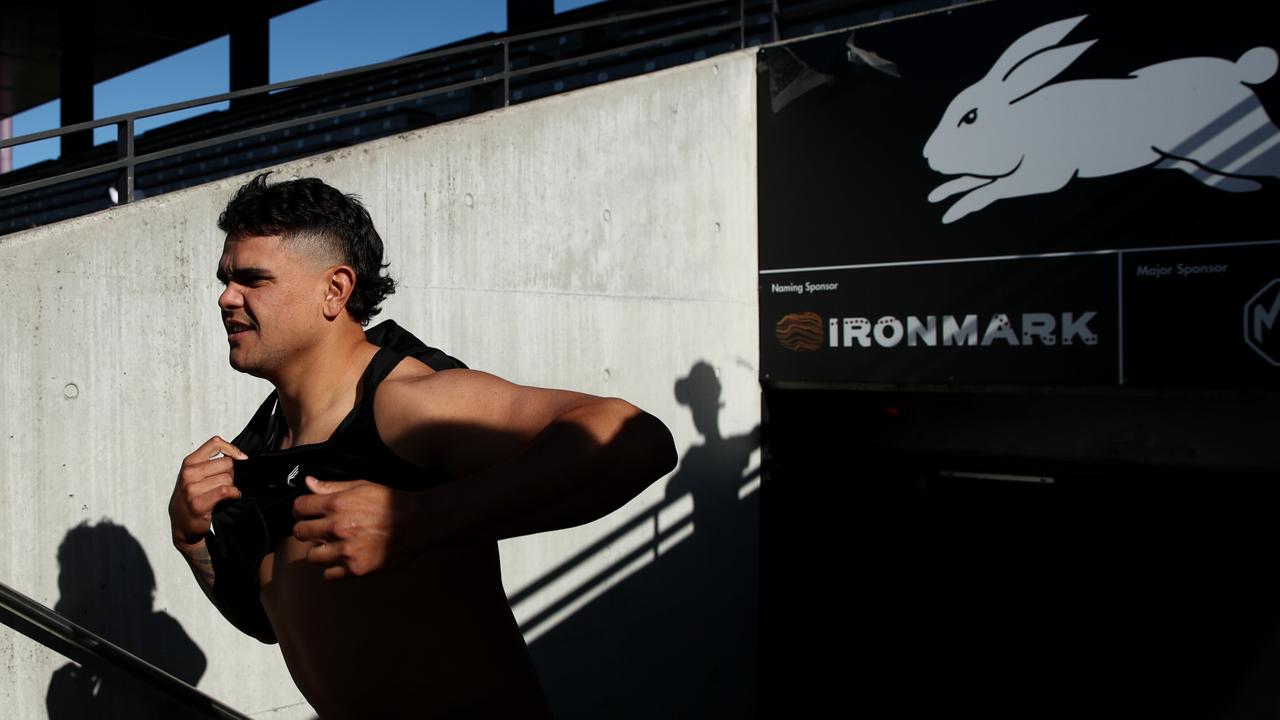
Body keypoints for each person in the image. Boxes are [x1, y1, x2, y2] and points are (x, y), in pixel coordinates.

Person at [167, 172, 678, 718]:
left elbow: (637, 438)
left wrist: (418, 518)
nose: (226, 297)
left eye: (252, 279)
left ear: (335, 290)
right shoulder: (263, 445)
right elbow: (271, 622)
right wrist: (192, 541)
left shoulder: (407, 402)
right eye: (225, 279)